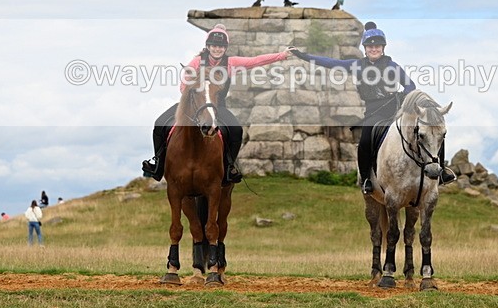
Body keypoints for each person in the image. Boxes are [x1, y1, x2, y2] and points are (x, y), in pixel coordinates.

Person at [291, 22, 456, 194]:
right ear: (365, 48)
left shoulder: (391, 66)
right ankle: (366, 179)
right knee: (365, 140)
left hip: (395, 111)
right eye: (370, 46)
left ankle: (442, 170)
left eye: (377, 46)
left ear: (383, 48)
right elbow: (330, 62)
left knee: (433, 129)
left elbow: (410, 85)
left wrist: (403, 94)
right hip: (374, 114)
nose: (373, 49)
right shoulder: (357, 65)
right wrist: (301, 55)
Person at [143, 23, 292, 184]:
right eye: (214, 45)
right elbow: (183, 85)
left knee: (236, 131)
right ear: (208, 46)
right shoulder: (196, 62)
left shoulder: (231, 63)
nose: (217, 49)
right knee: (159, 124)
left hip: (217, 107)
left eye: (221, 46)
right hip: (192, 105)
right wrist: (192, 94)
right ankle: (158, 164)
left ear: (225, 48)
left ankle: (229, 167)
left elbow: (255, 61)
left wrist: (282, 55)